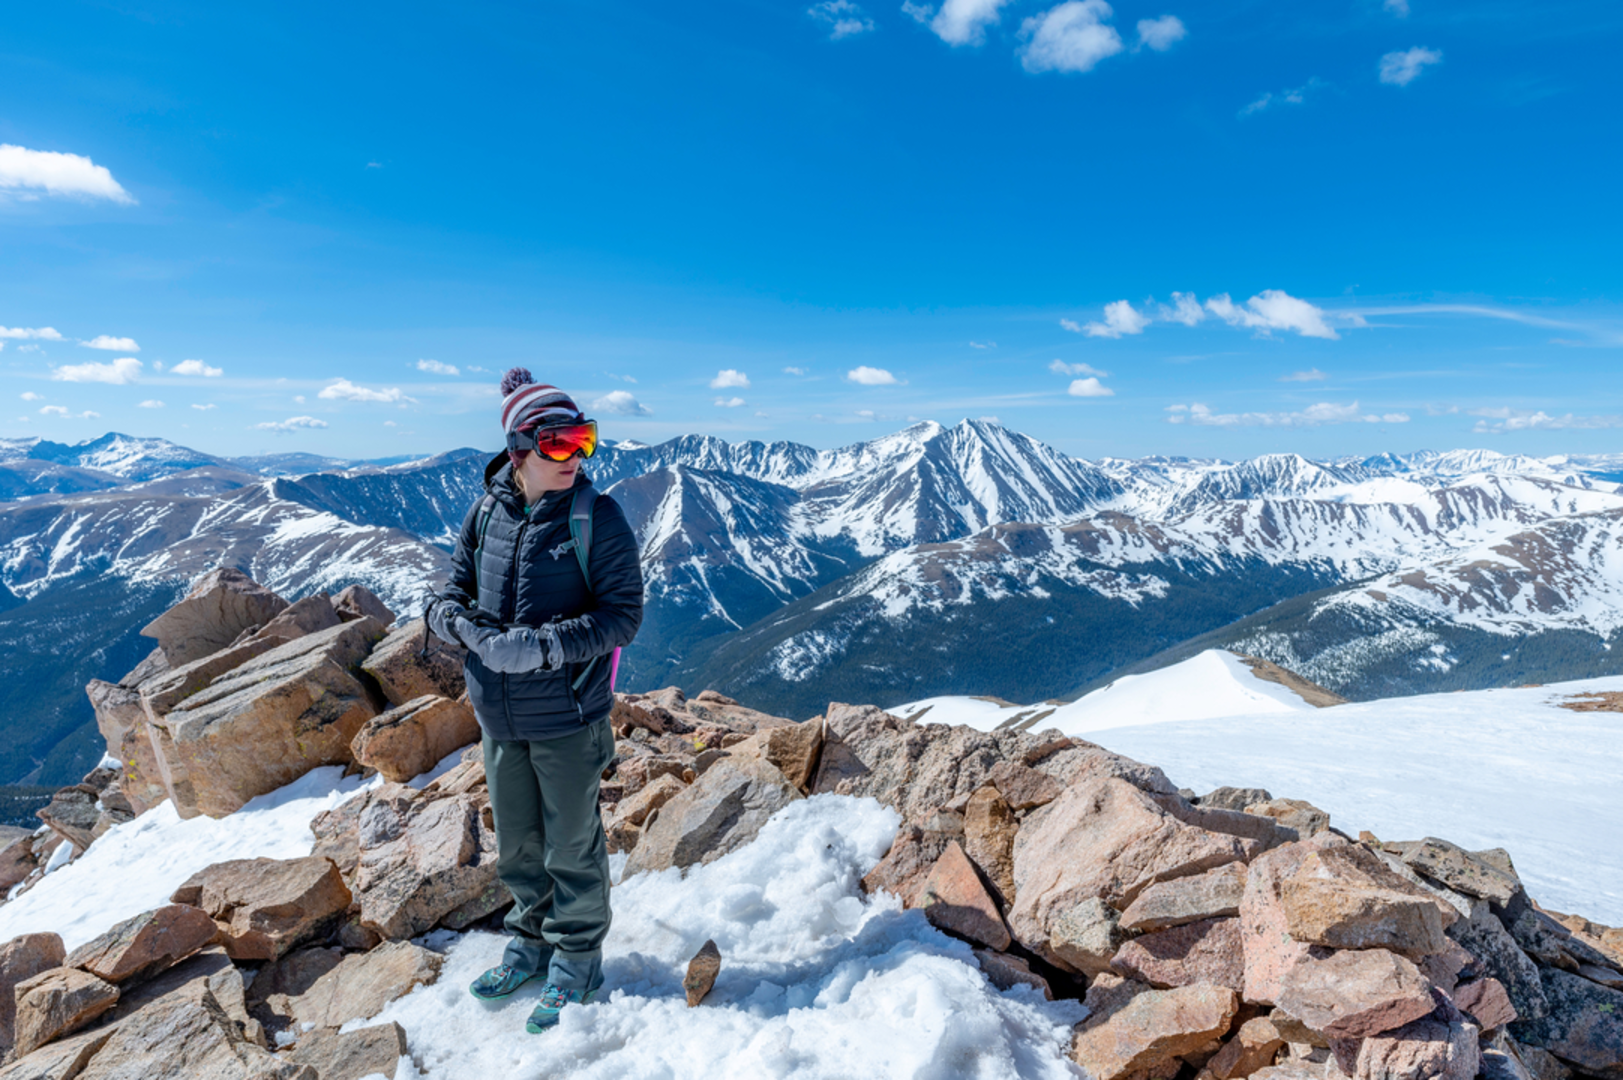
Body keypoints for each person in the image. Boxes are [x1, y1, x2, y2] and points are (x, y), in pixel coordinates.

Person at [426, 368, 643, 1034]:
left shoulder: (595, 518)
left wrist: (541, 648)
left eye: (585, 440)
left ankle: (577, 958)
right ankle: (529, 942)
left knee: (570, 844)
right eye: (558, 444)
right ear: (519, 450)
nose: (576, 456)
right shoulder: (486, 512)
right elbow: (444, 594)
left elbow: (621, 617)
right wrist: (461, 629)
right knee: (518, 843)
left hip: (568, 717)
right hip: (497, 715)